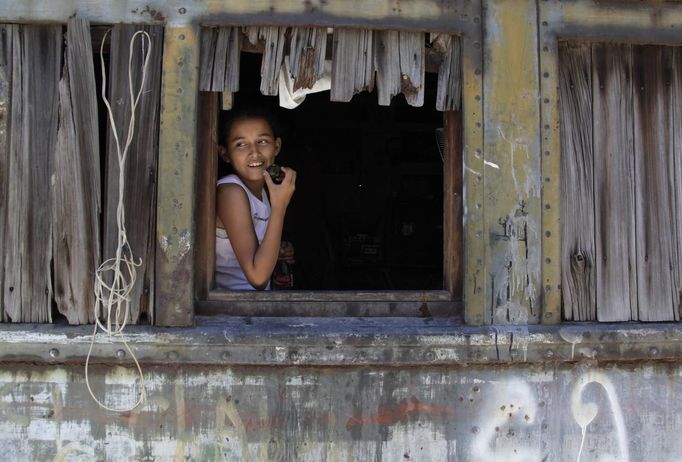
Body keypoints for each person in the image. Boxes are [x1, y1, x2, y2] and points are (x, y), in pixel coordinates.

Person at [215, 107, 297, 290]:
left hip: (254, 305)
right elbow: (258, 277)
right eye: (241, 144)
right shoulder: (231, 193)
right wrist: (280, 205)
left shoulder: (262, 191)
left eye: (262, 141)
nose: (254, 152)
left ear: (276, 147)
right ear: (225, 154)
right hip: (231, 310)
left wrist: (277, 250)